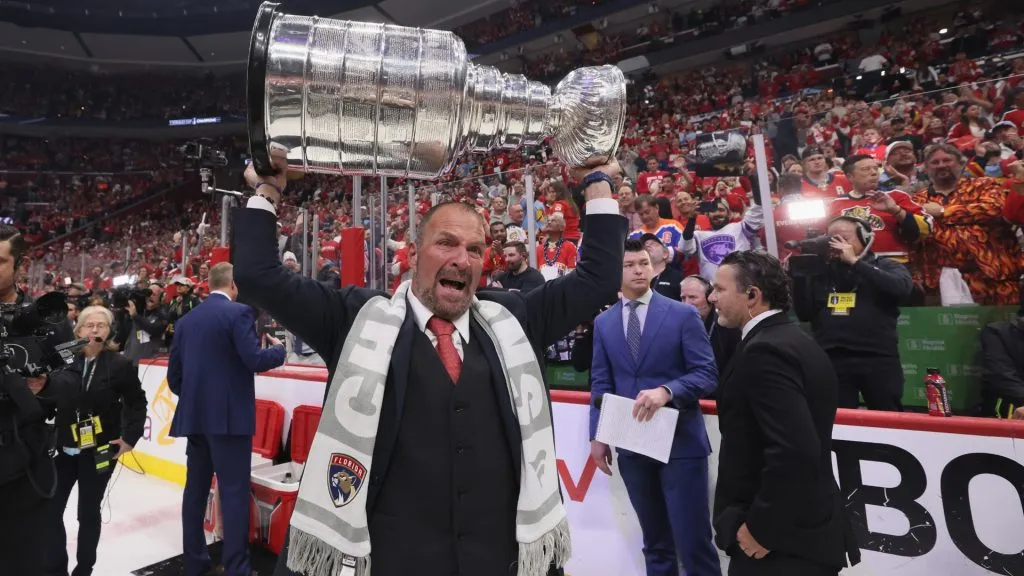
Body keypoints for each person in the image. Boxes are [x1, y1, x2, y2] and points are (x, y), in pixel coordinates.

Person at [233, 157, 625, 576]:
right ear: (415, 254)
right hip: (390, 560)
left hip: (497, 561)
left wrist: (597, 182)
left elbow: (597, 279)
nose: (462, 258)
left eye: (474, 249)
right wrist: (268, 189)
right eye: (447, 243)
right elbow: (258, 275)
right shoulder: (354, 318)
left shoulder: (514, 318)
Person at [709, 250, 859, 576]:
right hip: (799, 533)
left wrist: (762, 528)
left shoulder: (766, 351)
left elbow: (795, 450)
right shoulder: (794, 340)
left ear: (752, 295)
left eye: (719, 289)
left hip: (782, 544)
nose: (712, 297)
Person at [589, 239, 720, 576]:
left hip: (680, 444)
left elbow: (707, 374)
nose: (638, 270)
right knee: (655, 543)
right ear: (614, 273)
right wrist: (598, 435)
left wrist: (667, 391)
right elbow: (601, 384)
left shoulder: (683, 314)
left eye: (644, 263)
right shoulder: (604, 323)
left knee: (693, 543)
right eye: (630, 264)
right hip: (632, 444)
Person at [168, 262, 287, 576]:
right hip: (229, 420)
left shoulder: (187, 321)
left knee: (194, 492)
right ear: (233, 284)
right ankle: (237, 567)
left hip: (196, 419)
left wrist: (199, 401)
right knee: (233, 492)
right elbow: (253, 359)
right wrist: (279, 352)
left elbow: (174, 378)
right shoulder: (239, 314)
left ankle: (194, 562)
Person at [45, 305, 148, 576]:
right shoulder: (64, 359)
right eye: (89, 325)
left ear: (109, 330)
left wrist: (129, 438)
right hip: (64, 448)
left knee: (88, 513)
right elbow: (46, 394)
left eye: (100, 325)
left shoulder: (120, 364)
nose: (94, 329)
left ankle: (84, 569)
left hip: (100, 450)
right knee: (51, 511)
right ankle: (57, 569)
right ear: (77, 330)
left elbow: (137, 403)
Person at [791, 216, 913, 411]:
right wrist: (800, 277)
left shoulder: (886, 265)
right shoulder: (823, 273)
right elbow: (805, 313)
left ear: (864, 239)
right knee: (839, 422)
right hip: (832, 358)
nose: (837, 244)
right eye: (832, 238)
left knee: (887, 417)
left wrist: (856, 263)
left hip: (877, 358)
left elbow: (901, 290)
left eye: (844, 238)